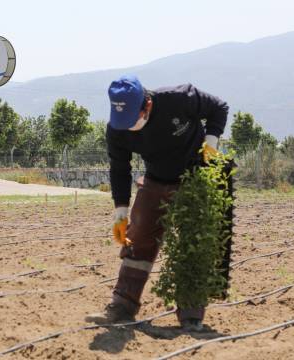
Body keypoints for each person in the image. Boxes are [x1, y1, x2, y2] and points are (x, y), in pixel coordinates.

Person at [85, 75, 229, 331]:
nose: (128, 127)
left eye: (133, 120)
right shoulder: (116, 129)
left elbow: (219, 107)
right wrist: (120, 213)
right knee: (137, 237)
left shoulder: (179, 97)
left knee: (192, 243)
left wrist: (211, 144)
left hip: (194, 178)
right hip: (155, 179)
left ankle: (191, 315)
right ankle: (122, 305)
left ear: (147, 106)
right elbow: (119, 168)